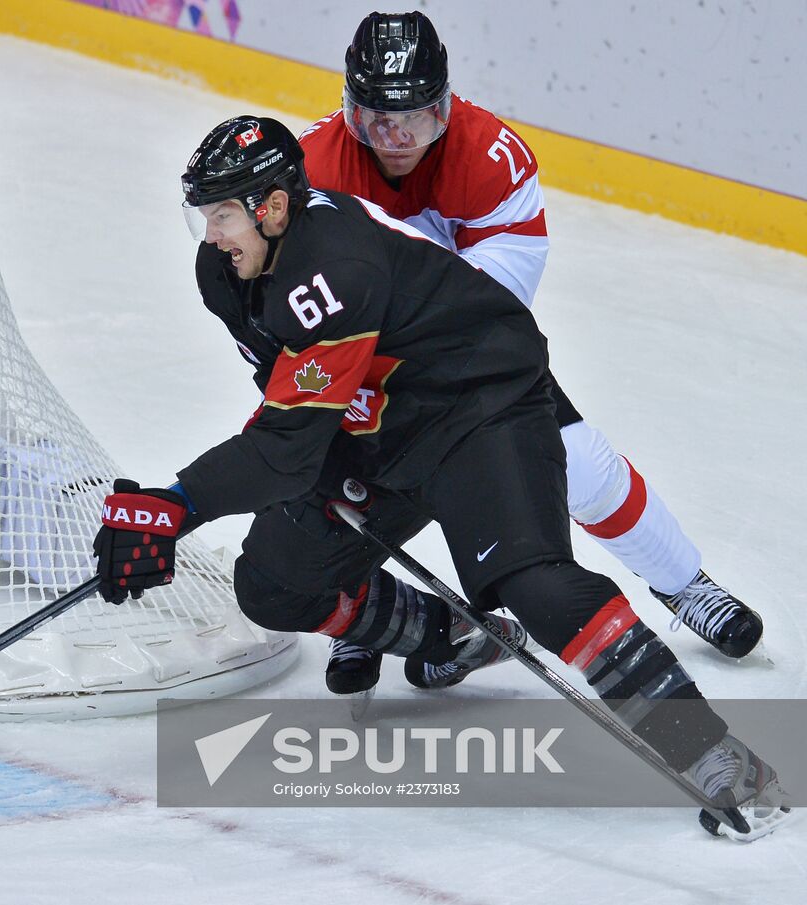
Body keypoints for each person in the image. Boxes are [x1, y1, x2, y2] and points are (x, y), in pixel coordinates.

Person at [93, 115, 787, 839]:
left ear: (272, 207)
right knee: (275, 579)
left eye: (224, 214)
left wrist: (177, 502)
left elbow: (284, 451)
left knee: (539, 587)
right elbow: (291, 406)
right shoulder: (228, 273)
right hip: (375, 428)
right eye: (203, 216)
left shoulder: (335, 266)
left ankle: (718, 756)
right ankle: (451, 637)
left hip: (479, 412)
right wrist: (178, 504)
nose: (211, 234)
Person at [297, 11, 762, 695]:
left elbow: (492, 305)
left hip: (465, 356)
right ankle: (374, 618)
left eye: (415, 122)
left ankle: (684, 582)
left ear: (444, 106)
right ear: (346, 109)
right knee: (342, 489)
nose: (394, 140)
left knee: (575, 462)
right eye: (373, 120)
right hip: (353, 366)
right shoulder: (309, 167)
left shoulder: (491, 157)